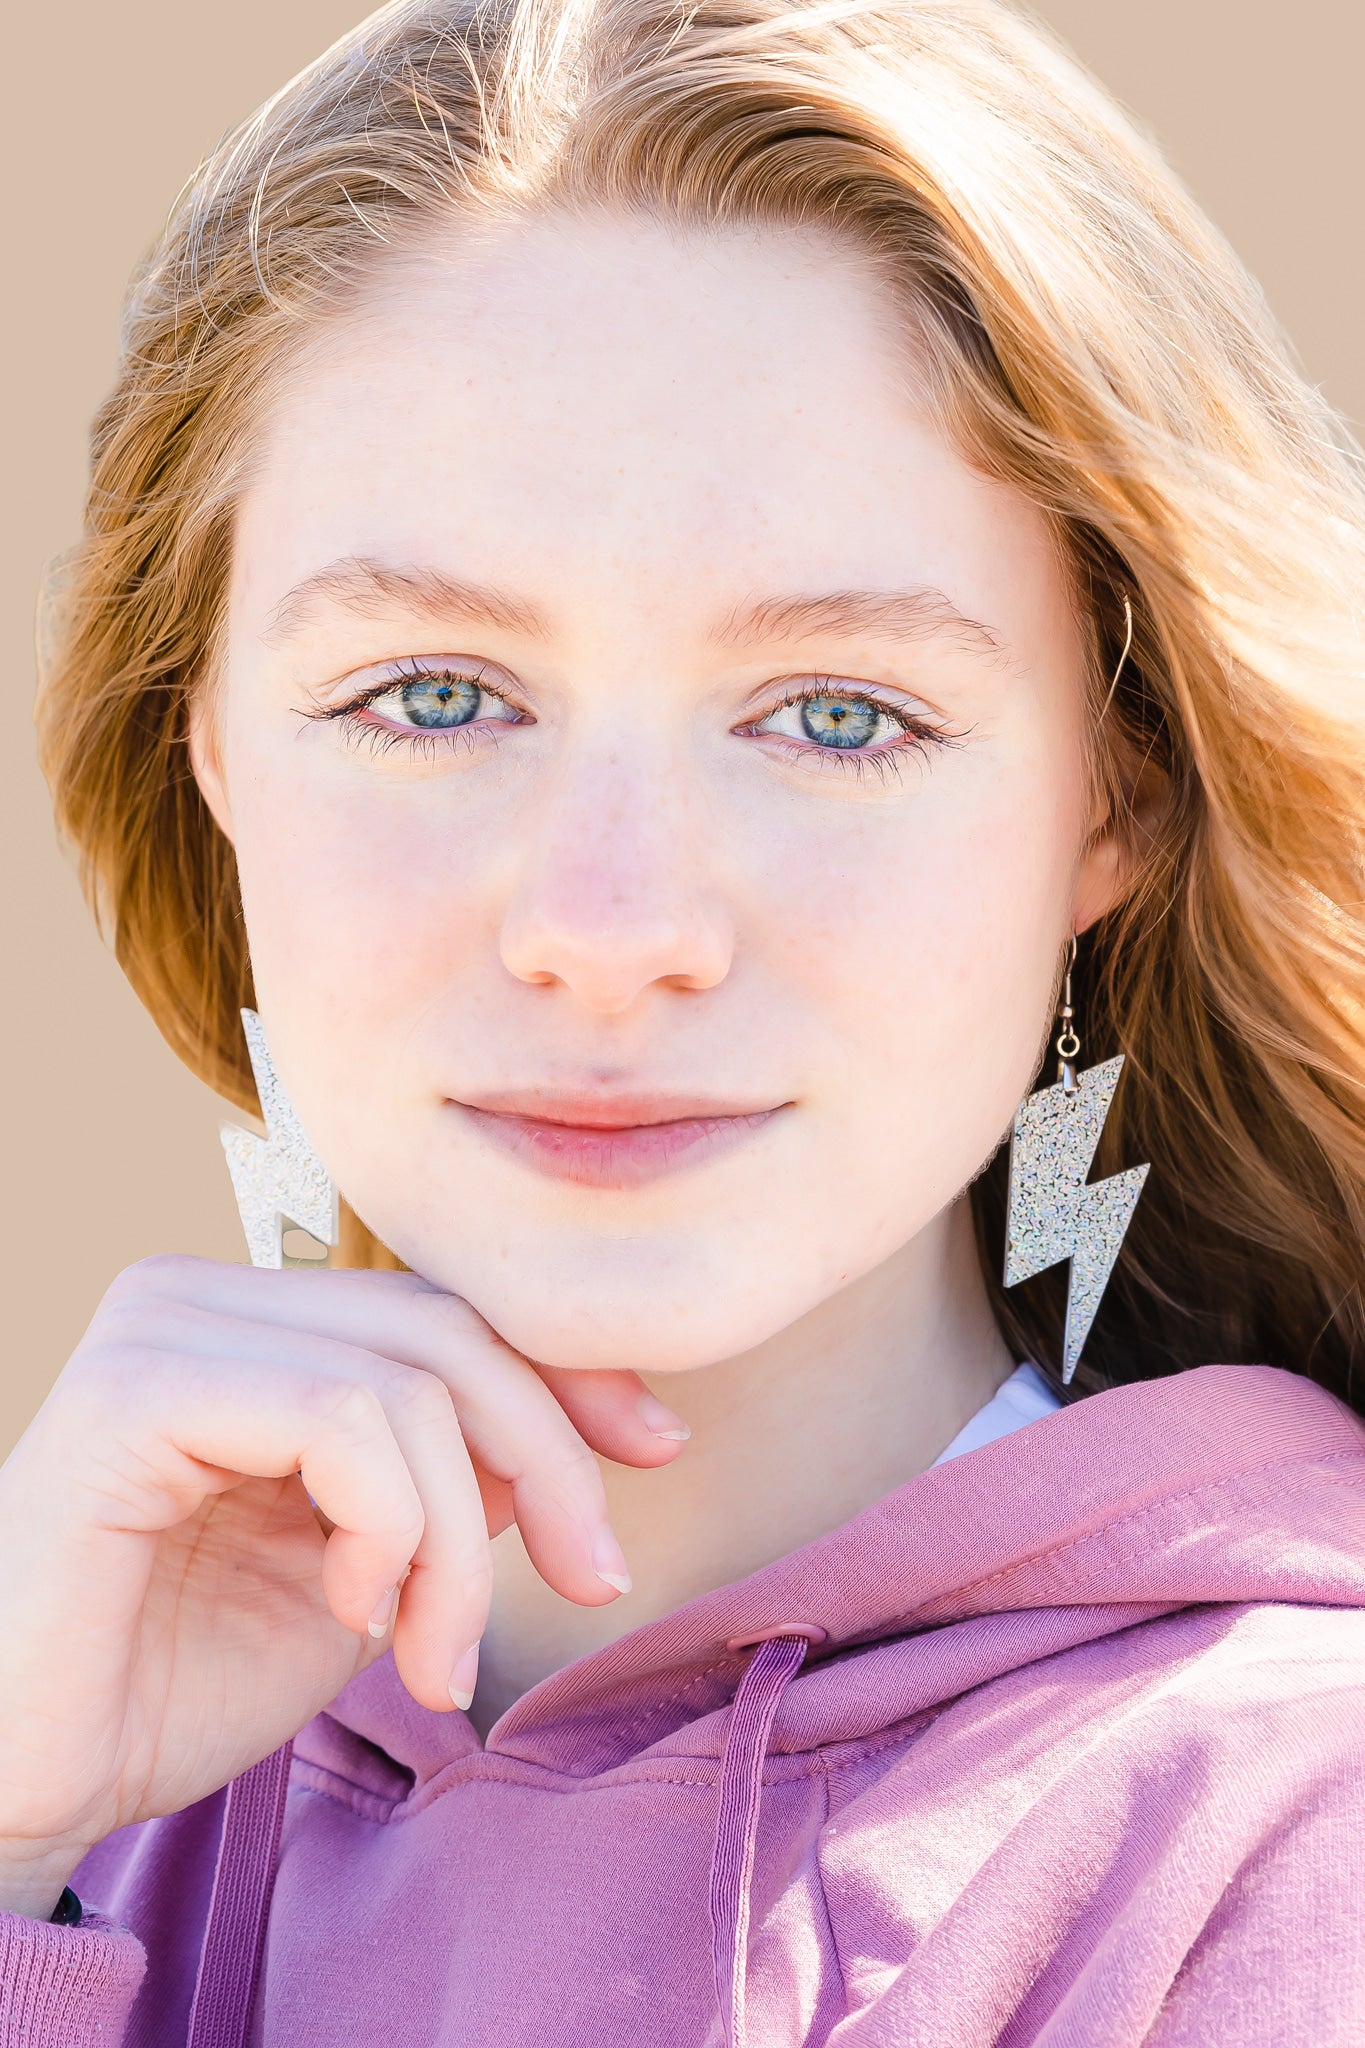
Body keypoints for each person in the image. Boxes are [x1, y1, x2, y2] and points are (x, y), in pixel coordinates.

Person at [4, 0, 1365, 2039]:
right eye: (432, 695)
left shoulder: (1290, 1837)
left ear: (1123, 793)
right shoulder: (74, 1775)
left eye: (837, 716)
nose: (609, 931)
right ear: (203, 751)